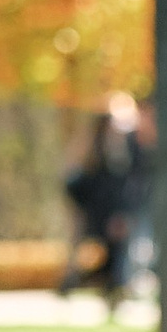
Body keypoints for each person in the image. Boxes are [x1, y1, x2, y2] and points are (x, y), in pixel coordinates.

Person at [62, 94, 144, 302]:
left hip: (112, 211)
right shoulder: (98, 150)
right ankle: (87, 282)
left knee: (116, 252)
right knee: (106, 251)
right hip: (99, 210)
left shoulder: (129, 148)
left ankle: (111, 286)